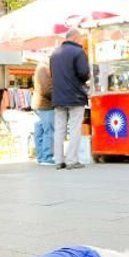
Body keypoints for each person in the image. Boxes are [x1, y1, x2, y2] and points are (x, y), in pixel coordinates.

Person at [49, 28, 90, 170]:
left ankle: (58, 160)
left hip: (58, 96)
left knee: (59, 129)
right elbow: (84, 73)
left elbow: (53, 75)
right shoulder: (78, 52)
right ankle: (72, 160)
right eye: (80, 39)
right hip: (75, 95)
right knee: (74, 128)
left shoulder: (54, 54)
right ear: (75, 38)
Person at [31, 59, 55, 165]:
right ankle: (47, 157)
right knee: (48, 131)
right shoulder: (43, 69)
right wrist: (58, 97)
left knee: (40, 132)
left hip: (39, 104)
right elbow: (47, 89)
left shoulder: (41, 68)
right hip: (45, 105)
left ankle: (41, 157)